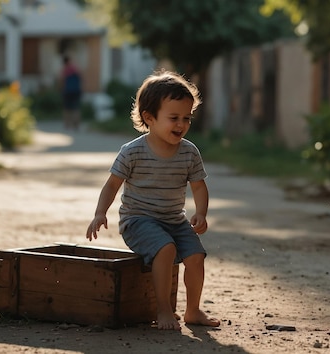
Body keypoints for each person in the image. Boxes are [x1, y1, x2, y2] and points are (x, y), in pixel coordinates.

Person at [86, 69, 220, 331]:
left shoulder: (189, 152)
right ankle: (163, 310)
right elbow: (112, 184)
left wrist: (201, 213)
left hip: (174, 220)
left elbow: (199, 187)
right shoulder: (132, 151)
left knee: (196, 256)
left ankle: (193, 311)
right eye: (173, 118)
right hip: (138, 221)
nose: (181, 125)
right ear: (150, 117)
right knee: (165, 248)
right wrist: (100, 212)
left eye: (187, 118)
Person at [60, 56, 82, 130]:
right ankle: (76, 124)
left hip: (67, 91)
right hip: (76, 90)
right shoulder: (75, 68)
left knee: (67, 108)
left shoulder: (65, 70)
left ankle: (67, 124)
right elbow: (80, 77)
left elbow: (62, 81)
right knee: (75, 108)